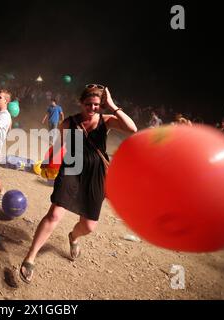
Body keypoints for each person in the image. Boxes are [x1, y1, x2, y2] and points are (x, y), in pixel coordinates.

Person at [19, 85, 137, 284]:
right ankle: (30, 257)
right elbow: (60, 145)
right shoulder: (68, 123)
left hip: (95, 174)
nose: (92, 108)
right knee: (55, 214)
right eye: (89, 104)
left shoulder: (105, 121)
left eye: (97, 105)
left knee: (89, 226)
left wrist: (112, 105)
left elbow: (132, 128)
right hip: (72, 169)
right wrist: (51, 162)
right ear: (81, 103)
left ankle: (73, 237)